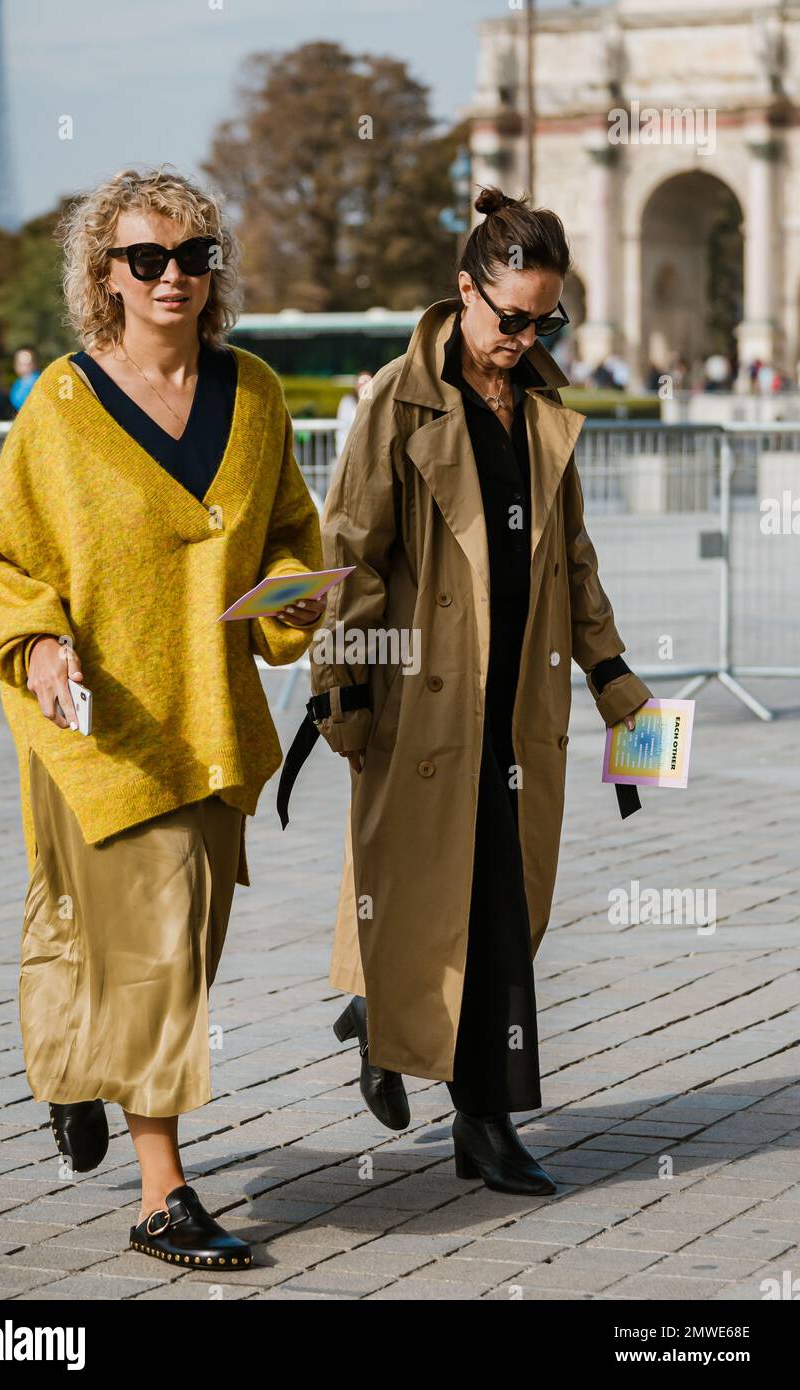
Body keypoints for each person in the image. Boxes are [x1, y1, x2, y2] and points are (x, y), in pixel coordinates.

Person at [0, 164, 325, 1268]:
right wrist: (36, 645)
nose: (171, 277)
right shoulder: (63, 408)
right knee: (153, 952)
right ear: (104, 275)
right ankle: (162, 1191)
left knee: (177, 946)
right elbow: (6, 556)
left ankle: (78, 1072)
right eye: (145, 258)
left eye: (191, 257)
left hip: (210, 722)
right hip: (100, 725)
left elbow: (288, 536)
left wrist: (295, 598)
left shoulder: (256, 393)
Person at [280, 185, 651, 1196]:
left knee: (502, 910)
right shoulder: (394, 407)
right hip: (421, 704)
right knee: (443, 900)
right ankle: (481, 1123)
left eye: (544, 320)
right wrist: (339, 688)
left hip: (521, 707)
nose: (523, 336)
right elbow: (345, 555)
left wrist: (612, 674)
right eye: (509, 317)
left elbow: (570, 560)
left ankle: (387, 1020)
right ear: (463, 290)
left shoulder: (542, 410)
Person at [8, 345, 41, 412]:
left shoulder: (40, 382)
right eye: (20, 363)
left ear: (36, 362)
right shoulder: (17, 384)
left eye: (28, 363)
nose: (24, 366)